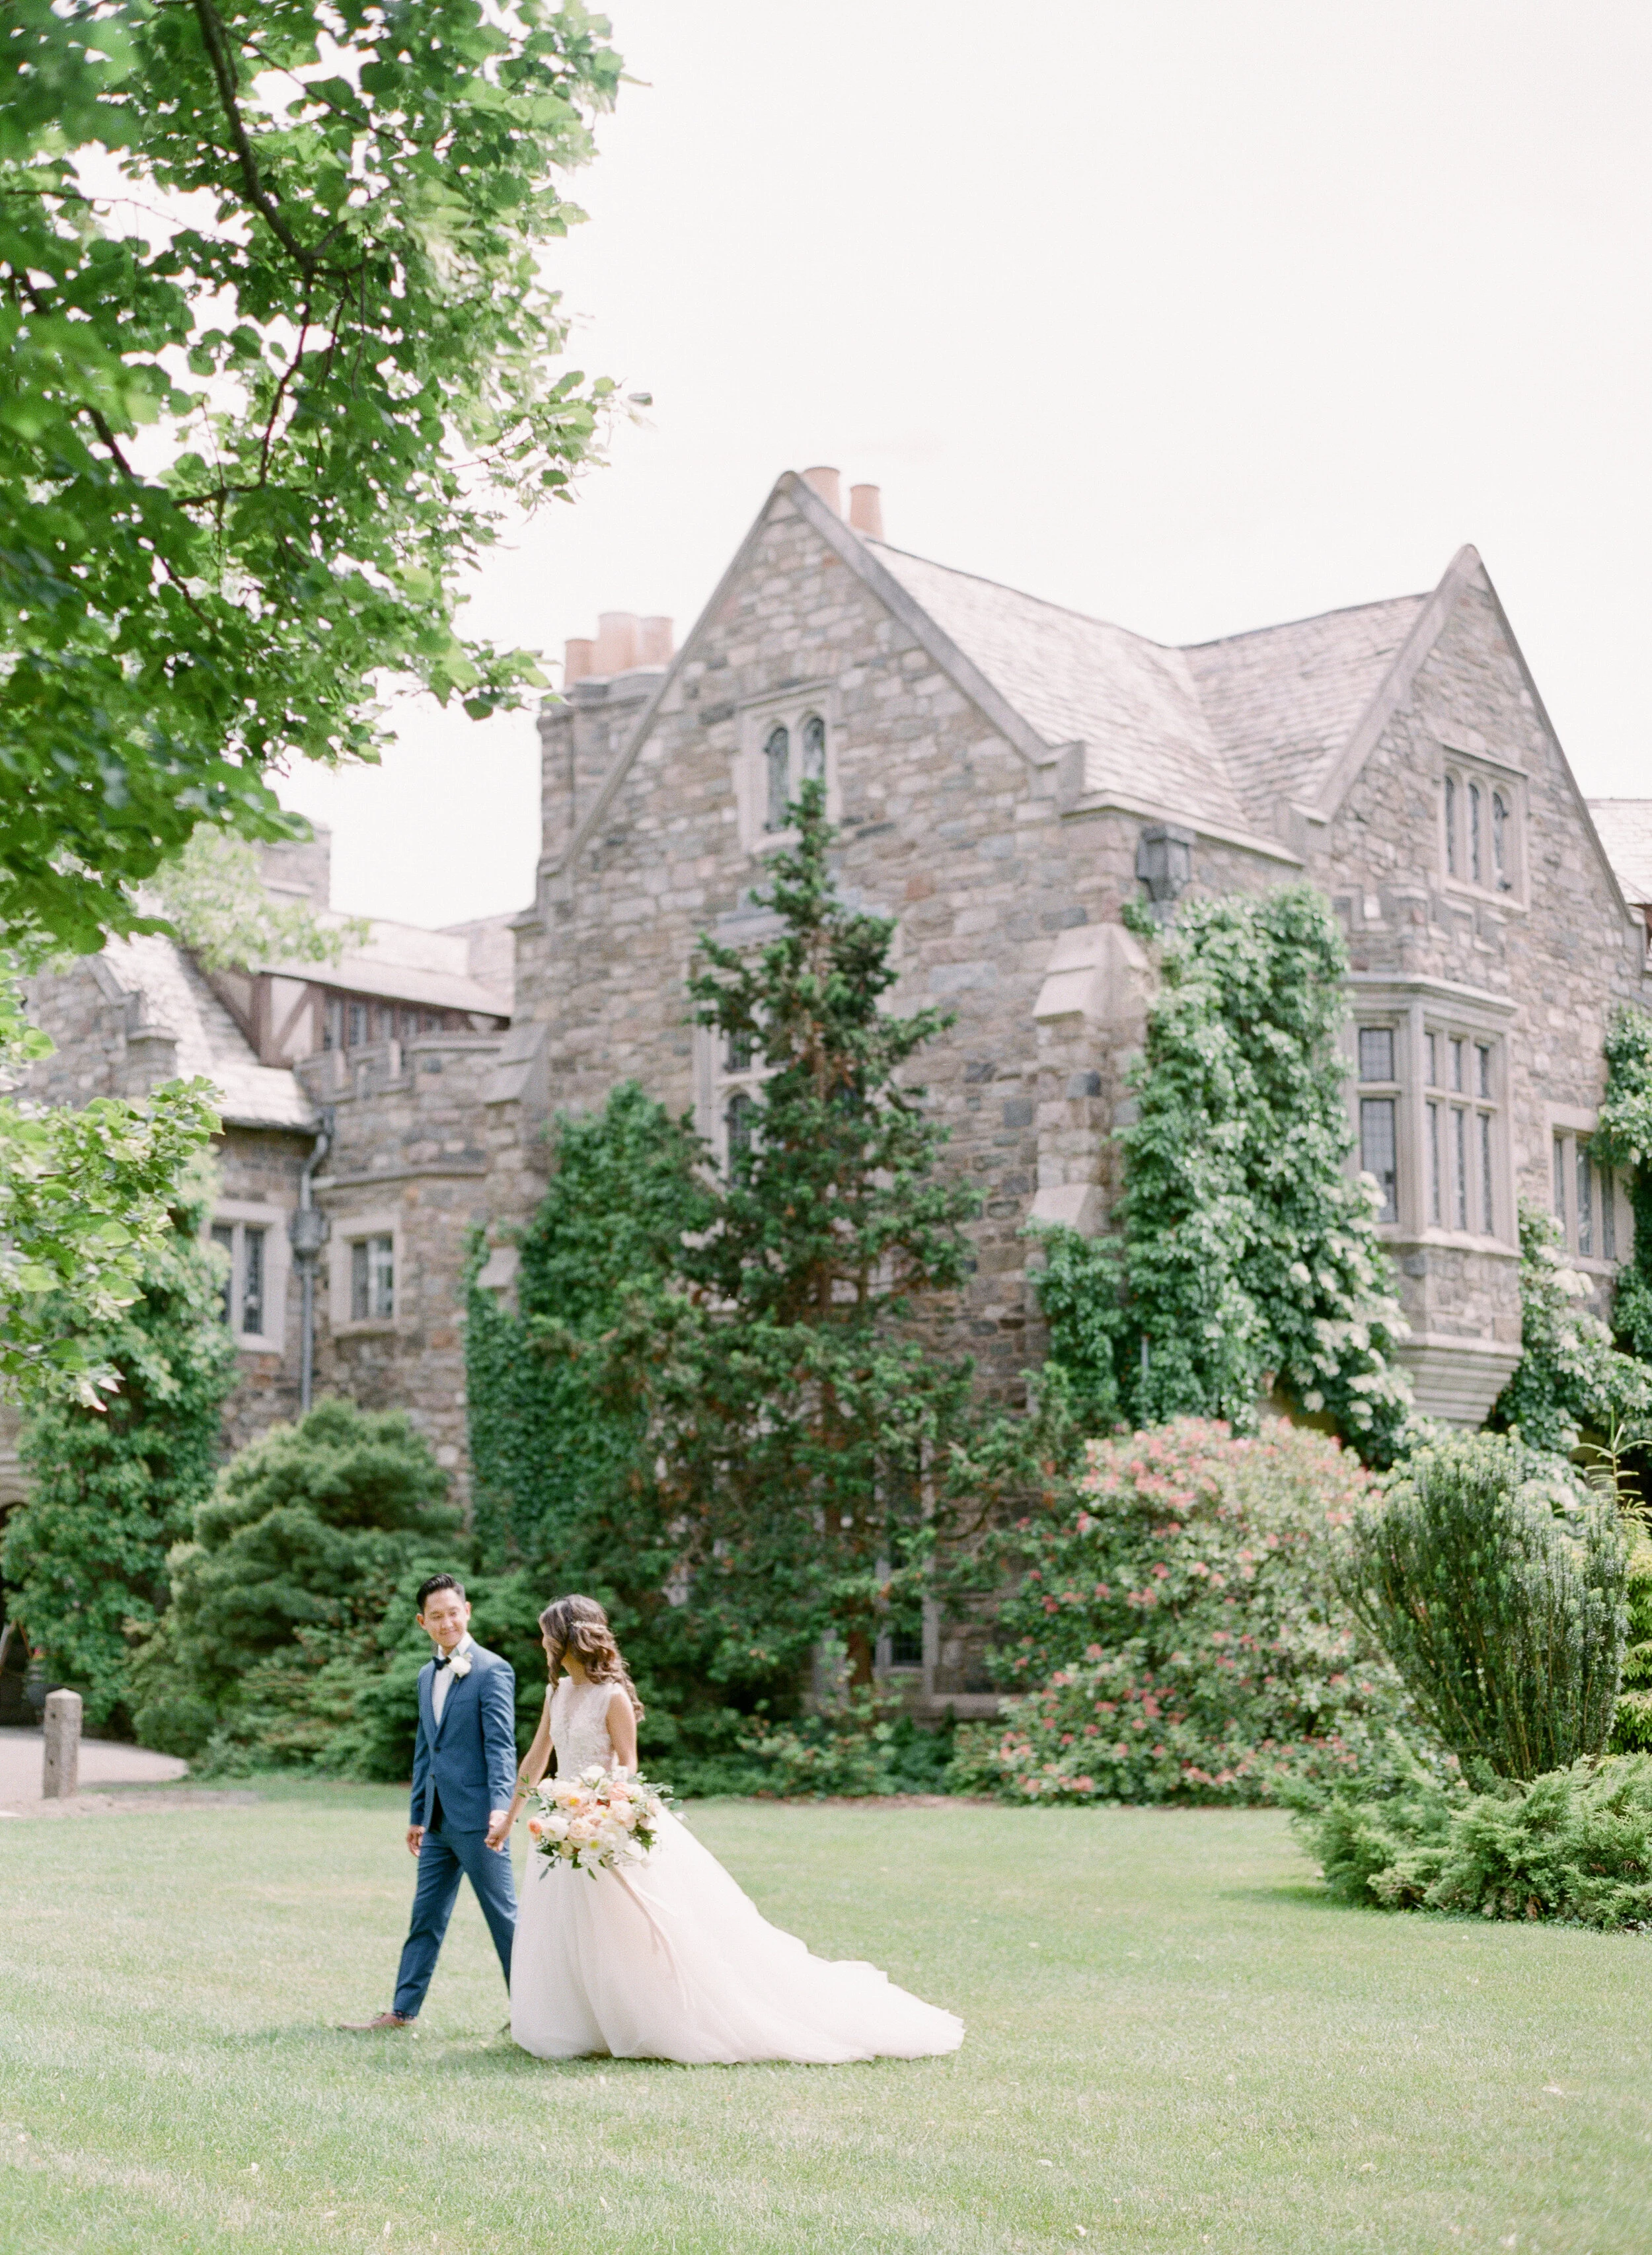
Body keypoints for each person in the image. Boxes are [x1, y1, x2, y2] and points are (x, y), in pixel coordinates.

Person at [496, 1594, 965, 2065]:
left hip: (606, 1824)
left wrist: (603, 1816)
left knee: (631, 1930)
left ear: (569, 1636)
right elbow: (537, 1759)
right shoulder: (557, 1693)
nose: (542, 1640)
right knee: (570, 1928)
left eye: (546, 1632)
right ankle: (583, 2023)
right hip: (563, 1827)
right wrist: (513, 1815)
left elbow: (628, 1766)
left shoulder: (611, 1695)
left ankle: (652, 2017)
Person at [342, 1574, 518, 2031]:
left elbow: (501, 1747)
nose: (447, 1622)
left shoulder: (492, 1670)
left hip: (482, 1822)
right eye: (436, 1616)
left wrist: (502, 1806)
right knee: (425, 1917)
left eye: (453, 1612)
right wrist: (418, 1814)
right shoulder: (426, 1675)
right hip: (437, 1822)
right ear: (422, 1621)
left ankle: (531, 2013)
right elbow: (426, 1750)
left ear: (468, 1610)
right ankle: (402, 2012)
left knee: (504, 1918)